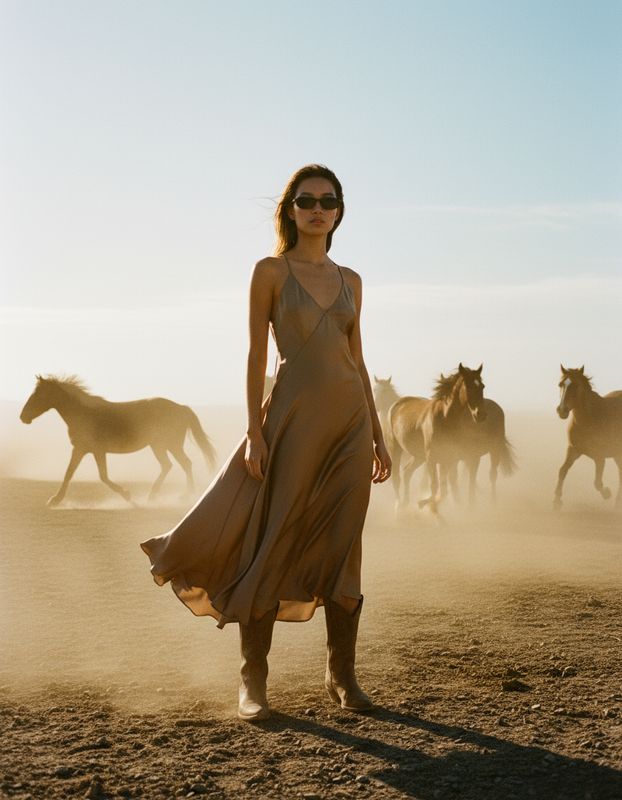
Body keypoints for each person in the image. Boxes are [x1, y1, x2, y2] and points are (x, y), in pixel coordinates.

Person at [140, 164, 392, 721]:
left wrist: (378, 433)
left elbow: (357, 358)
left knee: (344, 543)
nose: (318, 209)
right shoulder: (270, 272)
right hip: (291, 424)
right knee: (272, 537)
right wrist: (256, 432)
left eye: (328, 200)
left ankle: (342, 677)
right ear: (292, 209)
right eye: (307, 200)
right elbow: (257, 355)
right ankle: (252, 682)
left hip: (350, 426)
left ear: (339, 210)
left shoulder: (352, 280)